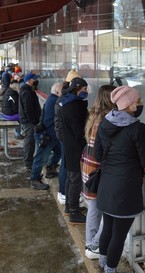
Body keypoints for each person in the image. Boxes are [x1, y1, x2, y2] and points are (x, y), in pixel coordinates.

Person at [94, 86, 145, 273]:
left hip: (106, 186)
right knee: (118, 235)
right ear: (128, 105)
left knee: (108, 229)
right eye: (137, 101)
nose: (140, 103)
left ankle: (104, 267)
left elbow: (97, 154)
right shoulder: (138, 128)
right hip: (125, 190)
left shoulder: (105, 123)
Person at [81, 85, 116, 260]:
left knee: (94, 208)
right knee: (104, 210)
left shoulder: (94, 114)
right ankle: (94, 244)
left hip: (89, 164)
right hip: (97, 168)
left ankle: (90, 244)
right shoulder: (106, 118)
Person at [60, 77, 89, 224]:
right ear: (77, 89)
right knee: (75, 180)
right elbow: (79, 132)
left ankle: (69, 207)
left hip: (70, 147)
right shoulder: (74, 107)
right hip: (76, 149)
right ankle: (74, 212)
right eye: (84, 90)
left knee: (71, 179)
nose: (86, 92)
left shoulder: (67, 103)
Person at [55, 69, 82, 205]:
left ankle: (65, 193)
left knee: (67, 165)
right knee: (67, 166)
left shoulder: (64, 98)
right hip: (66, 137)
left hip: (64, 136)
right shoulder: (65, 101)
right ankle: (64, 193)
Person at [29, 83, 62, 190]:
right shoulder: (55, 101)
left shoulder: (53, 99)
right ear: (57, 92)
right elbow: (49, 123)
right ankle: (35, 179)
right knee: (41, 158)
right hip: (47, 136)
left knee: (59, 152)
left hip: (53, 135)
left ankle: (51, 169)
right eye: (63, 90)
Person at [18, 72, 41, 170]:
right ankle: (28, 162)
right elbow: (28, 109)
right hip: (29, 121)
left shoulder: (28, 89)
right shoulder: (27, 92)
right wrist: (34, 122)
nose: (36, 81)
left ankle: (29, 160)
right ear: (29, 80)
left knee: (30, 141)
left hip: (28, 120)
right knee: (30, 141)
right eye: (34, 79)